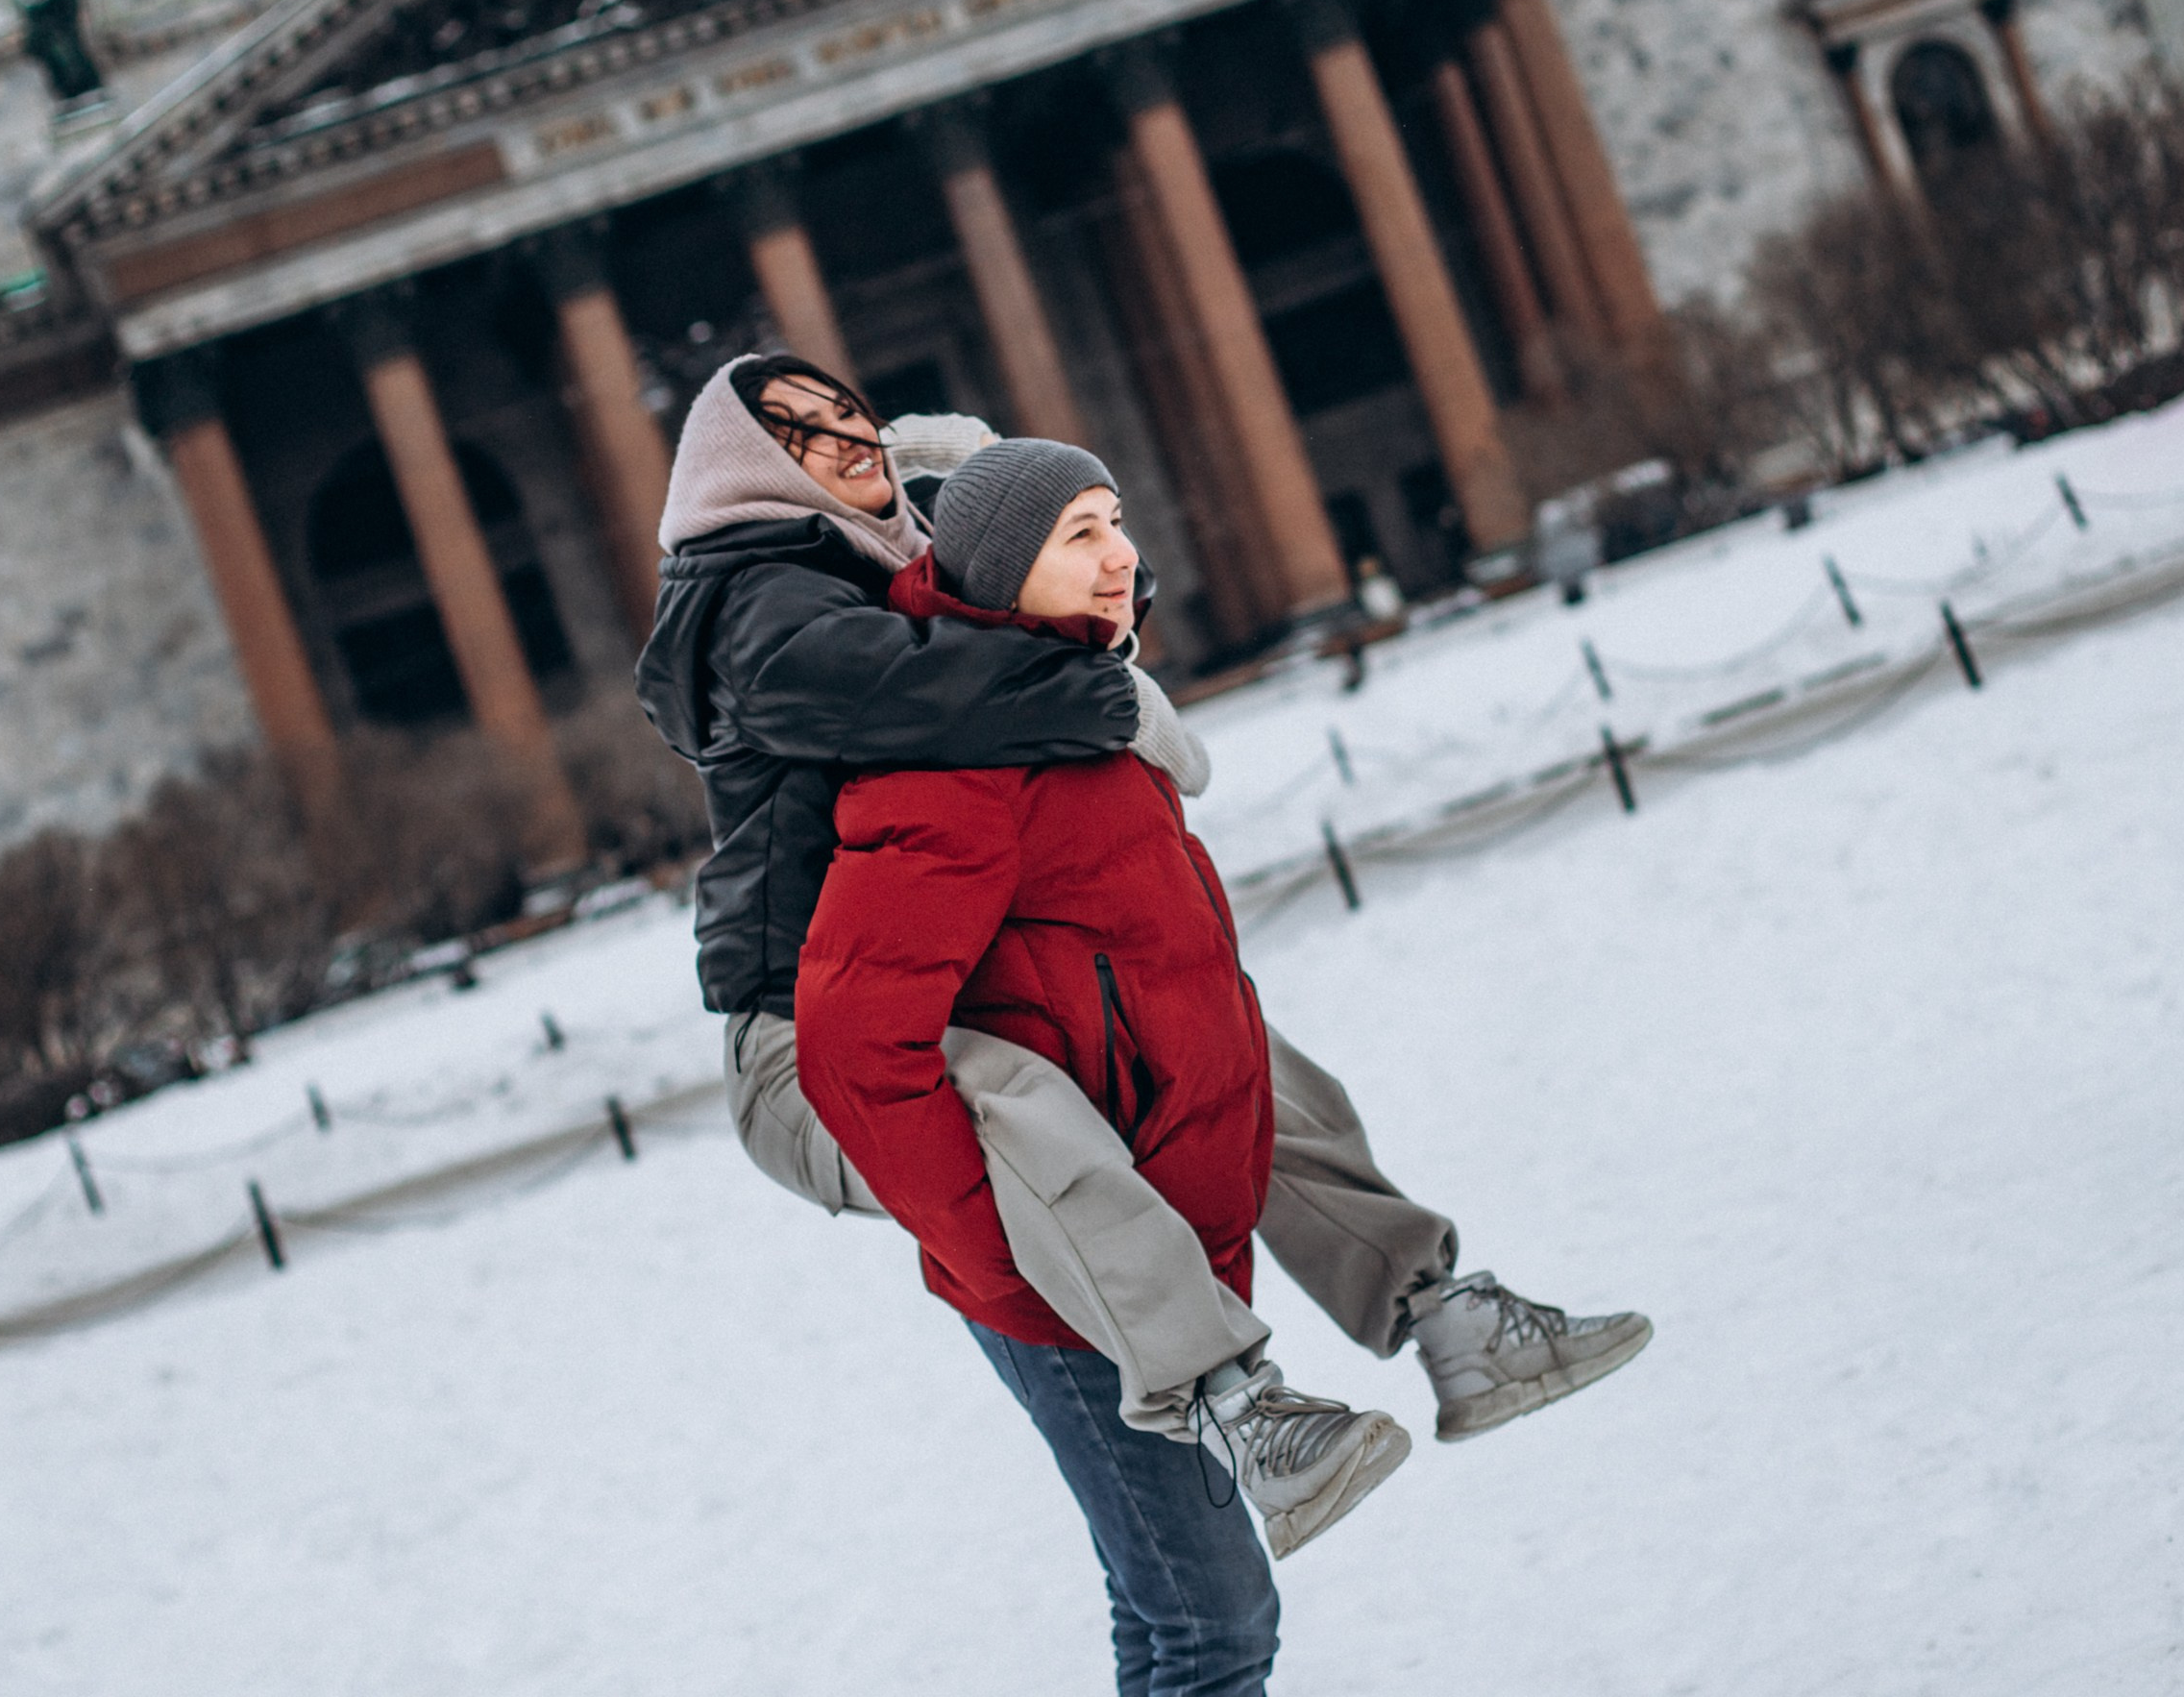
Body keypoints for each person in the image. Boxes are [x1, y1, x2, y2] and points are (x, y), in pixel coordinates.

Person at [631, 357, 1649, 1461]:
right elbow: (889, 683)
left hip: (964, 985)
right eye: (797, 433)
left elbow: (1098, 597)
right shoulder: (744, 596)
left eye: (849, 413)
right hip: (811, 1038)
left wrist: (1002, 500)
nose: (845, 439)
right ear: (742, 470)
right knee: (1023, 1118)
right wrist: (1090, 680)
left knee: (1225, 1055)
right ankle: (1225, 1398)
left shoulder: (892, 549)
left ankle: (1437, 1311)